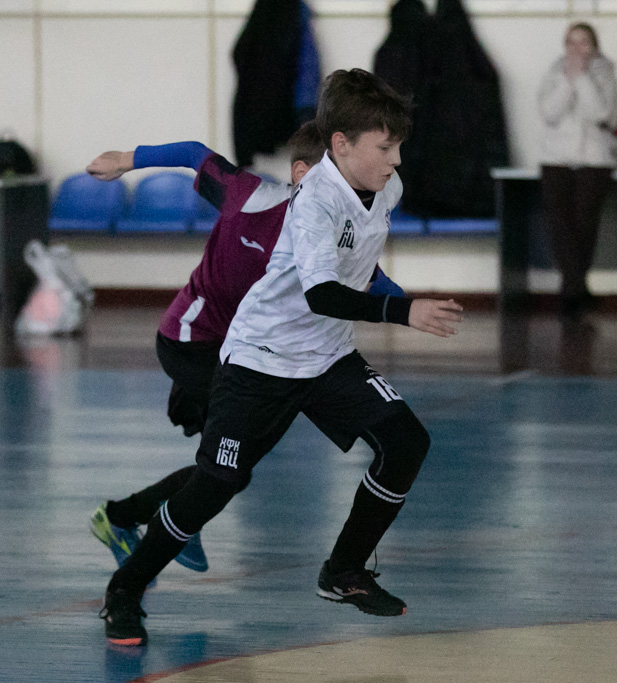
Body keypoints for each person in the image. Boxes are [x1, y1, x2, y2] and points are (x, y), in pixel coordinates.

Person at [97, 68, 463, 647]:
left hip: (327, 356)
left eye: (398, 147)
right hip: (260, 361)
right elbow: (323, 295)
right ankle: (125, 587)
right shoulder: (314, 201)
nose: (396, 161)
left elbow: (359, 269)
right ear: (341, 145)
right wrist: (403, 311)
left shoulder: (385, 188)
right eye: (384, 148)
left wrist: (404, 300)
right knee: (216, 484)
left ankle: (343, 571)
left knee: (406, 442)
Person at [84, 123, 405, 575]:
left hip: (250, 351)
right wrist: (125, 159)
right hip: (192, 340)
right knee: (228, 469)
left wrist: (413, 308)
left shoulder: (330, 227)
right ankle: (131, 524)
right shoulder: (252, 198)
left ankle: (139, 520)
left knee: (231, 468)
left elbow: (370, 278)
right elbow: (194, 152)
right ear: (302, 174)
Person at [537, 22, 617, 317]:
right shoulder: (553, 73)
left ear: (594, 47)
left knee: (584, 224)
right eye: (571, 43)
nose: (577, 49)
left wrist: (582, 77)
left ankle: (572, 289)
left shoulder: (606, 74)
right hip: (555, 159)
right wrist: (566, 81)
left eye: (583, 42)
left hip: (594, 160)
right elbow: (549, 112)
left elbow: (600, 112)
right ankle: (575, 290)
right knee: (560, 225)